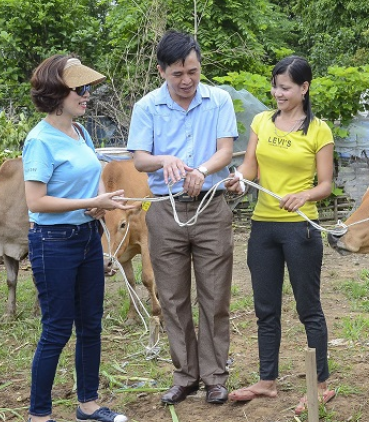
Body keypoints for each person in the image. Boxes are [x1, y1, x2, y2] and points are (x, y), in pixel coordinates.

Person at [127, 30, 237, 405]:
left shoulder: (219, 100)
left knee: (215, 296)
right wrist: (165, 160)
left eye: (193, 71)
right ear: (161, 72)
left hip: (211, 206)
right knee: (172, 298)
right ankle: (185, 374)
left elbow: (225, 151)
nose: (187, 80)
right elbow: (140, 159)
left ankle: (215, 376)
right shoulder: (147, 108)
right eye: (178, 74)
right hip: (164, 210)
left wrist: (202, 169)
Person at [23, 54, 133, 422]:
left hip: (87, 237)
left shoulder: (81, 132)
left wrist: (101, 204)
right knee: (56, 329)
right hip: (53, 243)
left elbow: (95, 178)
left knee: (91, 324)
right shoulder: (40, 141)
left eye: (88, 88)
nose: (88, 96)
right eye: (80, 89)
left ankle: (88, 404)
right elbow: (36, 201)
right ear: (57, 93)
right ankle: (39, 415)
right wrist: (91, 201)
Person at [225, 55, 336, 415]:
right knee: (265, 309)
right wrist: (240, 181)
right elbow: (250, 165)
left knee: (309, 309)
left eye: (285, 87)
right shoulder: (261, 121)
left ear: (304, 88)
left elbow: (326, 185)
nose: (277, 93)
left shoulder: (319, 130)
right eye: (275, 86)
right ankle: (267, 381)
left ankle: (320, 385)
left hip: (300, 229)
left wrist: (304, 195)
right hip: (263, 227)